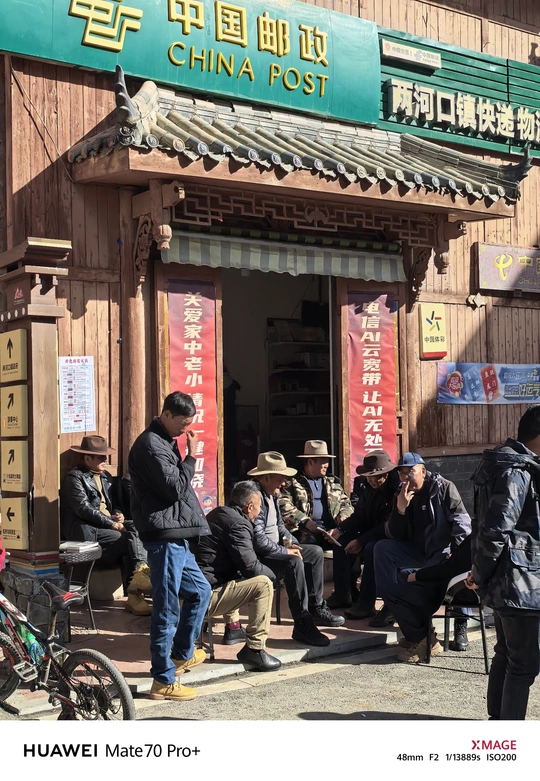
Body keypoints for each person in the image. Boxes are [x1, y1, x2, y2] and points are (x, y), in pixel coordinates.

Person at [128, 391, 212, 702]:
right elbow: (175, 488)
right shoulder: (151, 444)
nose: (186, 429)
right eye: (183, 423)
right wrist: (191, 456)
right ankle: (162, 680)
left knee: (201, 591)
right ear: (166, 415)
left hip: (176, 534)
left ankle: (180, 654)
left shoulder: (164, 441)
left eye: (189, 423)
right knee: (166, 608)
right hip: (163, 536)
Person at [468, 406, 540, 720]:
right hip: (520, 582)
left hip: (506, 579)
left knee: (506, 654)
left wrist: (480, 571)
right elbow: (496, 529)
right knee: (523, 665)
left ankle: (497, 720)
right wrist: (479, 571)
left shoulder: (503, 463)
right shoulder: (517, 470)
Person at [374, 452, 472, 647]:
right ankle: (393, 605)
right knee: (382, 548)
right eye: (402, 473)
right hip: (417, 551)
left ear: (423, 472)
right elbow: (393, 534)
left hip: (441, 551)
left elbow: (462, 522)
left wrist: (456, 553)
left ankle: (460, 623)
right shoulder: (401, 493)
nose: (406, 478)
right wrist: (400, 509)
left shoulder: (443, 488)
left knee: (459, 568)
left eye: (410, 472)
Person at [248, 452, 344, 647]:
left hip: (275, 549)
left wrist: (291, 542)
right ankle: (302, 622)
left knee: (314, 552)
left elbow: (279, 527)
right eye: (280, 478)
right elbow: (258, 540)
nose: (284, 483)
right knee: (293, 562)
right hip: (260, 556)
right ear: (266, 477)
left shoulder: (272, 495)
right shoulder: (255, 498)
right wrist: (285, 552)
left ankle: (316, 607)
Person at [193, 481, 281, 672]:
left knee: (239, 577)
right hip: (202, 597)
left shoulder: (220, 513)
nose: (259, 512)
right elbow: (251, 567)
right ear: (249, 507)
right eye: (258, 507)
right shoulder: (238, 524)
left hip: (197, 588)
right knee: (263, 584)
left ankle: (233, 629)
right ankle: (255, 649)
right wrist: (275, 577)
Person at [60, 435, 151, 616]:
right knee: (126, 540)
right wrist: (112, 524)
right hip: (85, 528)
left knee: (140, 529)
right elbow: (84, 509)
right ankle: (136, 593)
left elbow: (114, 503)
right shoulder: (74, 478)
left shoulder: (106, 477)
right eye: (100, 457)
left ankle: (140, 575)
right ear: (87, 459)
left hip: (106, 522)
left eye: (105, 457)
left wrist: (118, 514)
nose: (105, 460)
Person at [279, 440, 355, 608]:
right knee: (311, 548)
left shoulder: (332, 483)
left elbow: (346, 504)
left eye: (327, 461)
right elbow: (283, 505)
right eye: (323, 461)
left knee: (345, 543)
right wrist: (304, 520)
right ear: (310, 462)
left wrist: (343, 518)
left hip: (332, 530)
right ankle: (313, 600)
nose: (327, 465)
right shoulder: (293, 483)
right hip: (306, 530)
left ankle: (344, 594)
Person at [385, 535, 473, 663]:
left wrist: (418, 576)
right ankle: (421, 637)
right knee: (404, 575)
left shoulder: (481, 536)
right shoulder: (488, 535)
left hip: (456, 590)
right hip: (464, 586)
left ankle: (424, 640)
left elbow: (451, 569)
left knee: (393, 591)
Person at [334, 451, 399, 620]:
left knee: (372, 548)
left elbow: (389, 526)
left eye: (373, 476)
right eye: (368, 476)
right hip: (370, 532)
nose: (370, 480)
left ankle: (366, 603)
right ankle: (343, 593)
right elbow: (360, 515)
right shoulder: (368, 487)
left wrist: (361, 541)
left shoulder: (397, 490)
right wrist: (341, 529)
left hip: (392, 536)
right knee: (341, 540)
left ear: (385, 474)